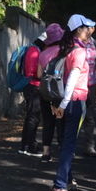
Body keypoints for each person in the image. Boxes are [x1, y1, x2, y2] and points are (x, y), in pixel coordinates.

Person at [48, 14, 96, 191]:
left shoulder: (64, 49)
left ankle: (66, 181)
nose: (89, 31)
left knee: (65, 143)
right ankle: (59, 186)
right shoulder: (79, 51)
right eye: (87, 28)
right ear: (79, 30)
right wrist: (64, 104)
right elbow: (73, 80)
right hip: (74, 102)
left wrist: (59, 103)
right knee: (69, 145)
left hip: (64, 101)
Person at [37, 24, 66, 163]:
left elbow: (38, 74)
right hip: (60, 92)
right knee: (61, 121)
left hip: (45, 92)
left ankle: (46, 152)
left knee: (48, 122)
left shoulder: (43, 54)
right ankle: (63, 150)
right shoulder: (65, 52)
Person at [18, 32, 47, 156]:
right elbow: (32, 72)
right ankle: (30, 146)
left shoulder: (32, 49)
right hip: (34, 87)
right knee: (33, 117)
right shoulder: (35, 52)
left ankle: (26, 145)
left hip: (31, 87)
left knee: (31, 117)